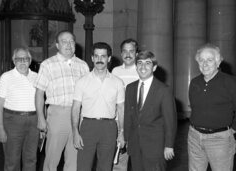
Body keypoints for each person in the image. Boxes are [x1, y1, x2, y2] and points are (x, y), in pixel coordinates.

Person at [35, 30, 89, 171]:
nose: (68, 45)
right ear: (57, 45)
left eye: (71, 41)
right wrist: (41, 118)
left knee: (74, 158)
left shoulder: (83, 65)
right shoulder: (47, 65)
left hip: (79, 115)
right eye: (64, 41)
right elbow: (39, 93)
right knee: (52, 159)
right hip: (58, 114)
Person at [188, 43, 236, 171]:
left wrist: (232, 131)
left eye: (210, 60)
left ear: (218, 62)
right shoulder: (194, 82)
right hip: (194, 137)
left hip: (220, 140)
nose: (205, 64)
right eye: (201, 60)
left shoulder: (231, 82)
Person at [71, 42, 125, 171]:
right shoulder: (82, 81)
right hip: (88, 127)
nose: (99, 60)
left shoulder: (117, 82)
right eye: (96, 56)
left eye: (103, 56)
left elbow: (121, 109)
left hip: (109, 127)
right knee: (83, 166)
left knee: (105, 167)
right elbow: (75, 108)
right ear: (92, 58)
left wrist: (122, 133)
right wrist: (75, 132)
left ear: (109, 58)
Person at [124, 50, 177, 171]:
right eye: (140, 63)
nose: (143, 67)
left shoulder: (164, 90)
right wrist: (127, 139)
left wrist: (169, 145)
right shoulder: (130, 88)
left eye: (147, 63)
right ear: (136, 66)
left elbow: (170, 121)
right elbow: (128, 116)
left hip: (156, 147)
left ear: (154, 68)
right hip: (135, 144)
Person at [0, 47, 39, 171]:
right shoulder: (6, 77)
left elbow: (41, 102)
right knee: (12, 161)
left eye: (25, 59)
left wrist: (42, 125)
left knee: (31, 159)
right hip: (12, 122)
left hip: (34, 122)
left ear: (30, 60)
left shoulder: (37, 77)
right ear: (14, 61)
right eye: (18, 59)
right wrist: (0, 129)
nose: (22, 62)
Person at [111, 38, 139, 171]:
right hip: (118, 120)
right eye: (125, 51)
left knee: (139, 157)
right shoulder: (115, 71)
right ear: (121, 54)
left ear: (136, 54)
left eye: (132, 51)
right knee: (119, 155)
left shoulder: (142, 70)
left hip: (137, 120)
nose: (128, 54)